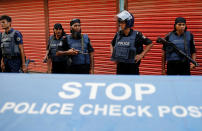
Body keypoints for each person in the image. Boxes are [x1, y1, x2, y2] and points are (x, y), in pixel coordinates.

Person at [111, 10, 153, 75]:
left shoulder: (137, 35)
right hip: (120, 67)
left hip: (132, 68)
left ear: (128, 23)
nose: (120, 24)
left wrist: (141, 55)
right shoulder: (118, 34)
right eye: (119, 22)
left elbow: (150, 43)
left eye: (122, 22)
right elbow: (111, 44)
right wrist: (113, 54)